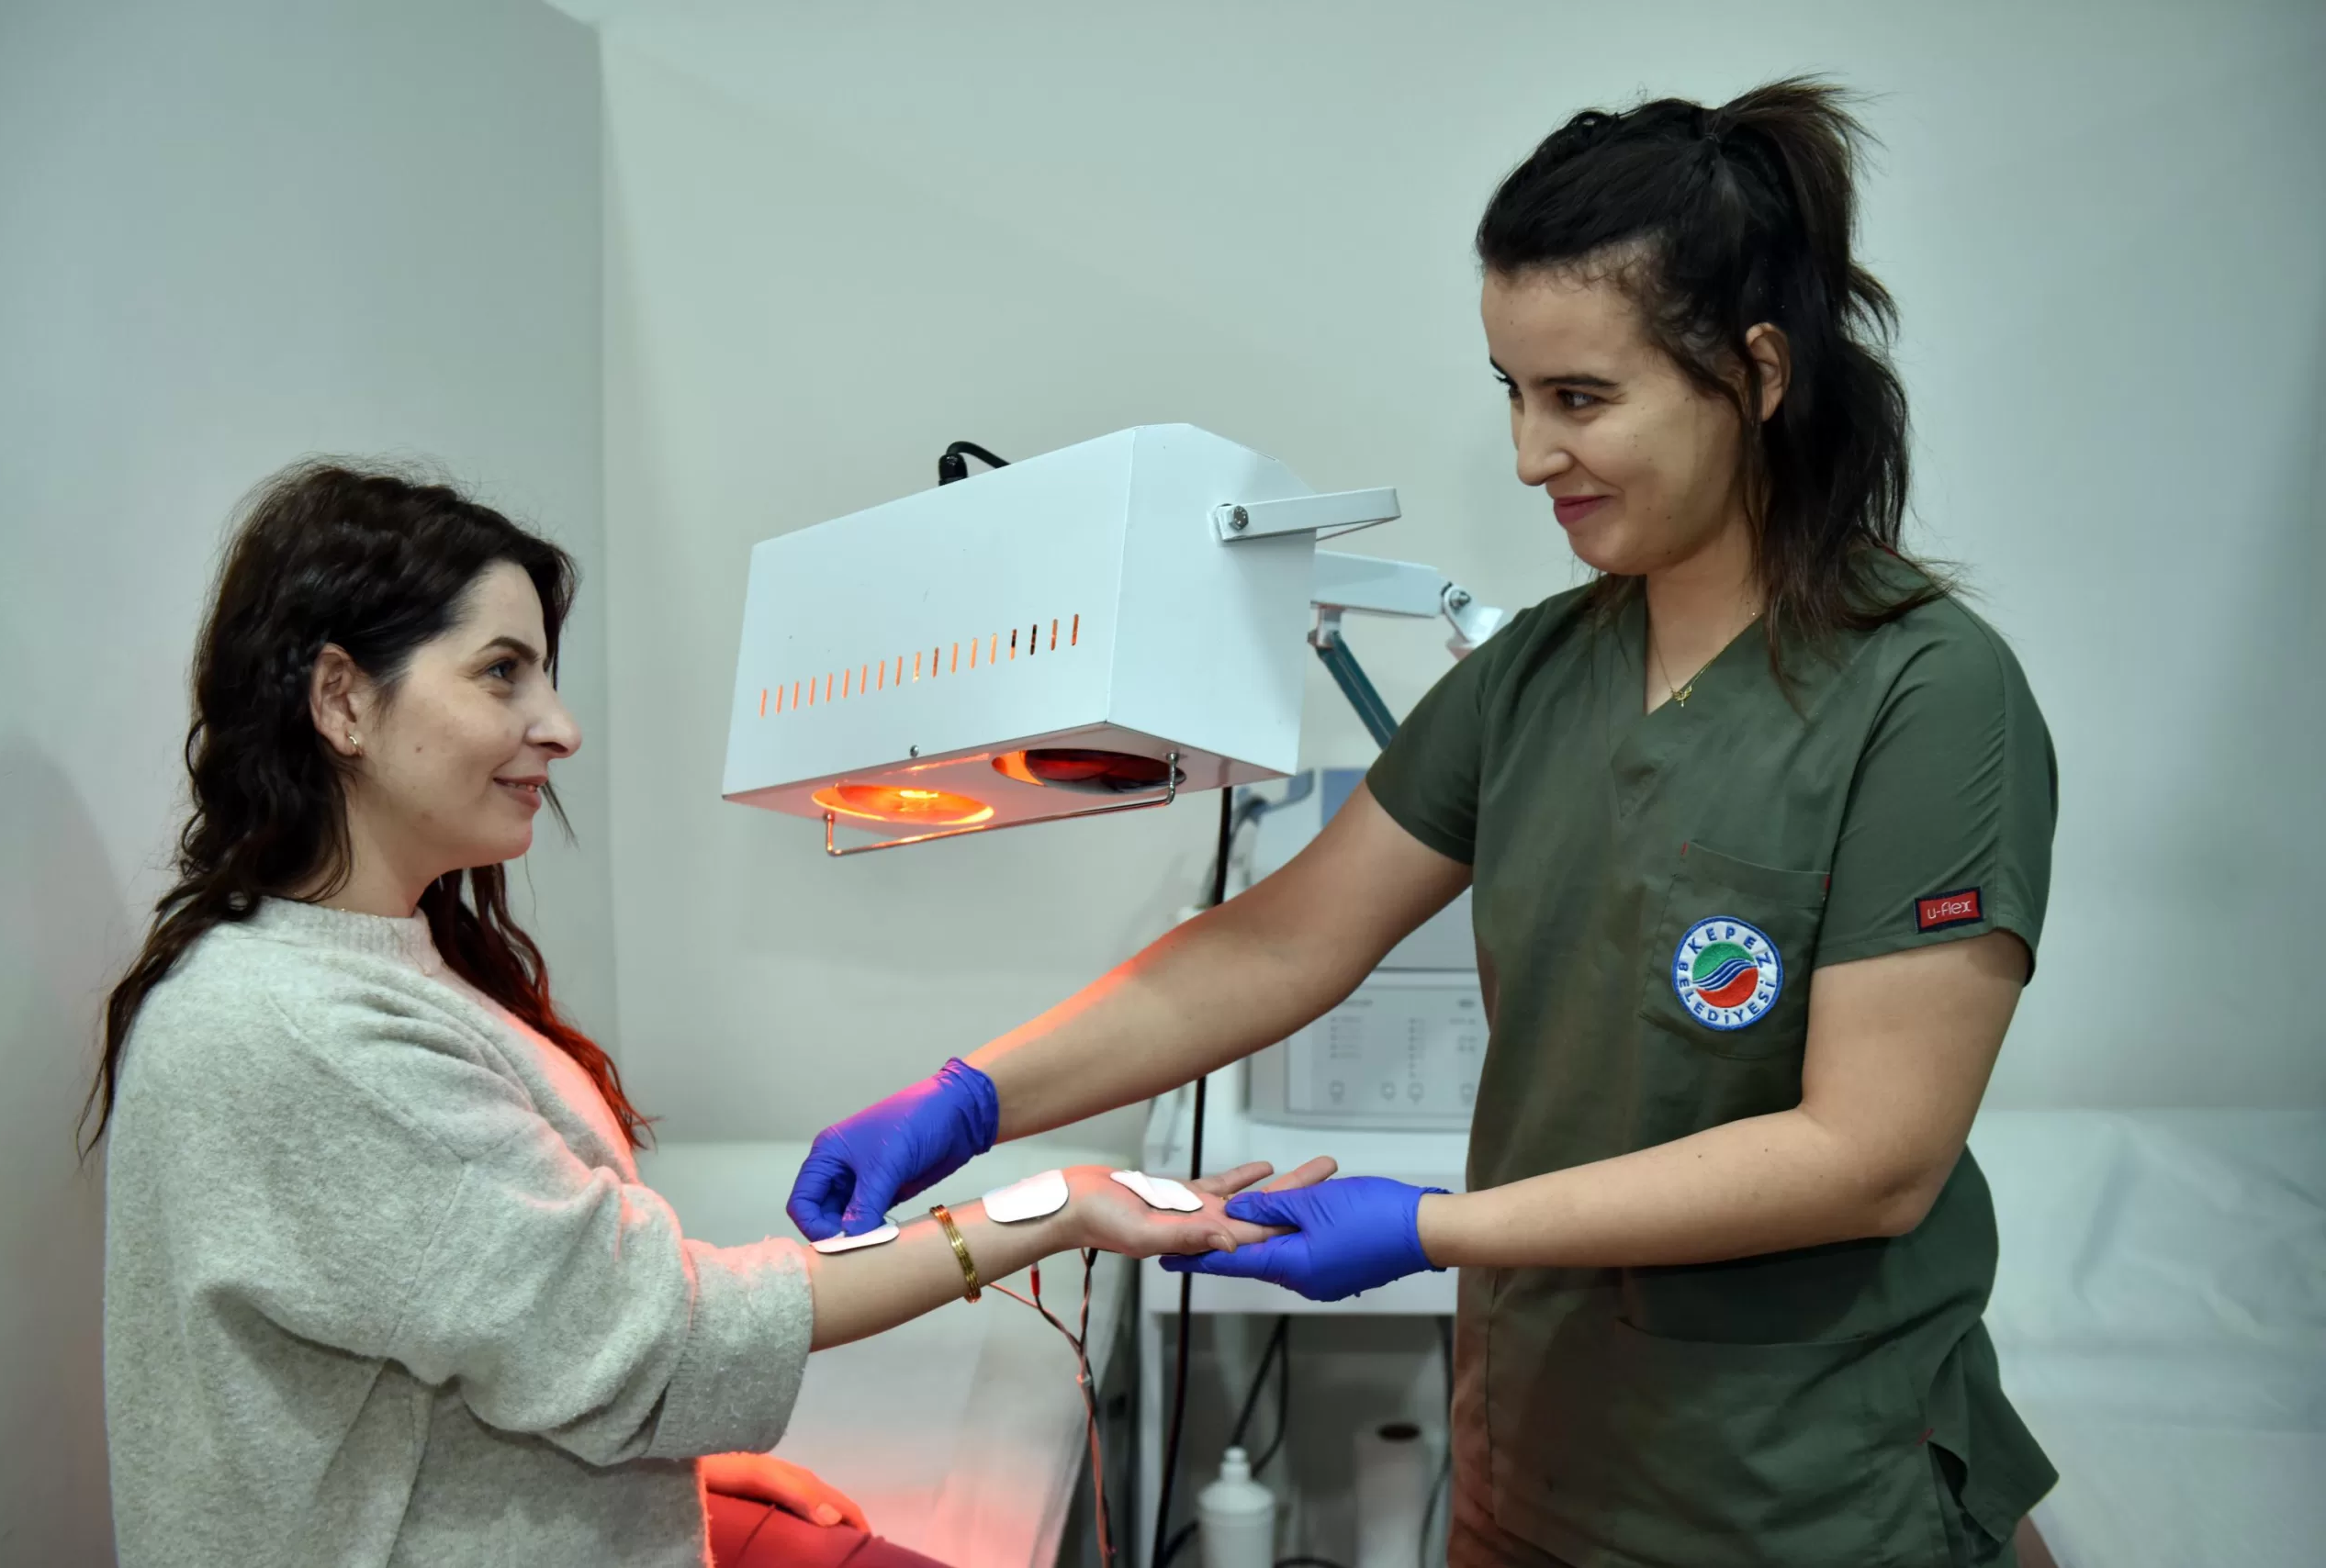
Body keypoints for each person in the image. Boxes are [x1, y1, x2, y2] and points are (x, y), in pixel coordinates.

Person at [788, 79, 2059, 1568]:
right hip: (1536, 1461)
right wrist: (970, 1098)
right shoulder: (1537, 677)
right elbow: (1278, 945)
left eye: (1580, 399)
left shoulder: (1927, 696)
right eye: (1512, 393)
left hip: (1803, 1493)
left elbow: (1870, 1156)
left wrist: (1431, 1228)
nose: (1530, 455)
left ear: (1758, 372)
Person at [86, 463, 1327, 1568]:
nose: (560, 729)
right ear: (343, 701)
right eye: (503, 672)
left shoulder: (376, 972)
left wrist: (672, 1470)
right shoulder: (301, 1034)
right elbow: (658, 1341)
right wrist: (1051, 1208)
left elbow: (510, 1325)